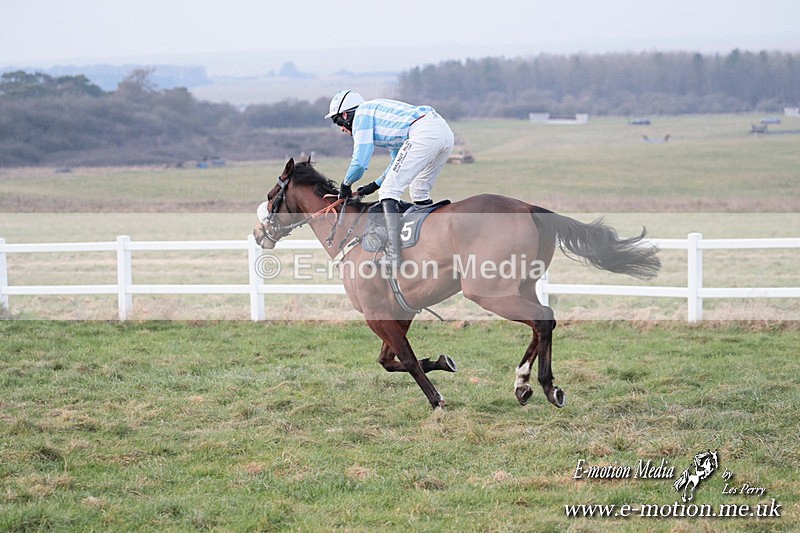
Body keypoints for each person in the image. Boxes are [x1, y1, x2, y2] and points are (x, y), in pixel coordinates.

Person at [325, 90, 455, 274]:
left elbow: (360, 163)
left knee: (388, 192)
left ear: (345, 115)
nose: (342, 129)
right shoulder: (378, 117)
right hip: (442, 131)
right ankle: (431, 243)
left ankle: (393, 256)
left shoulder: (361, 115)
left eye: (338, 121)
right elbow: (397, 161)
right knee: (418, 191)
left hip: (424, 132)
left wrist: (345, 185)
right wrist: (373, 185)